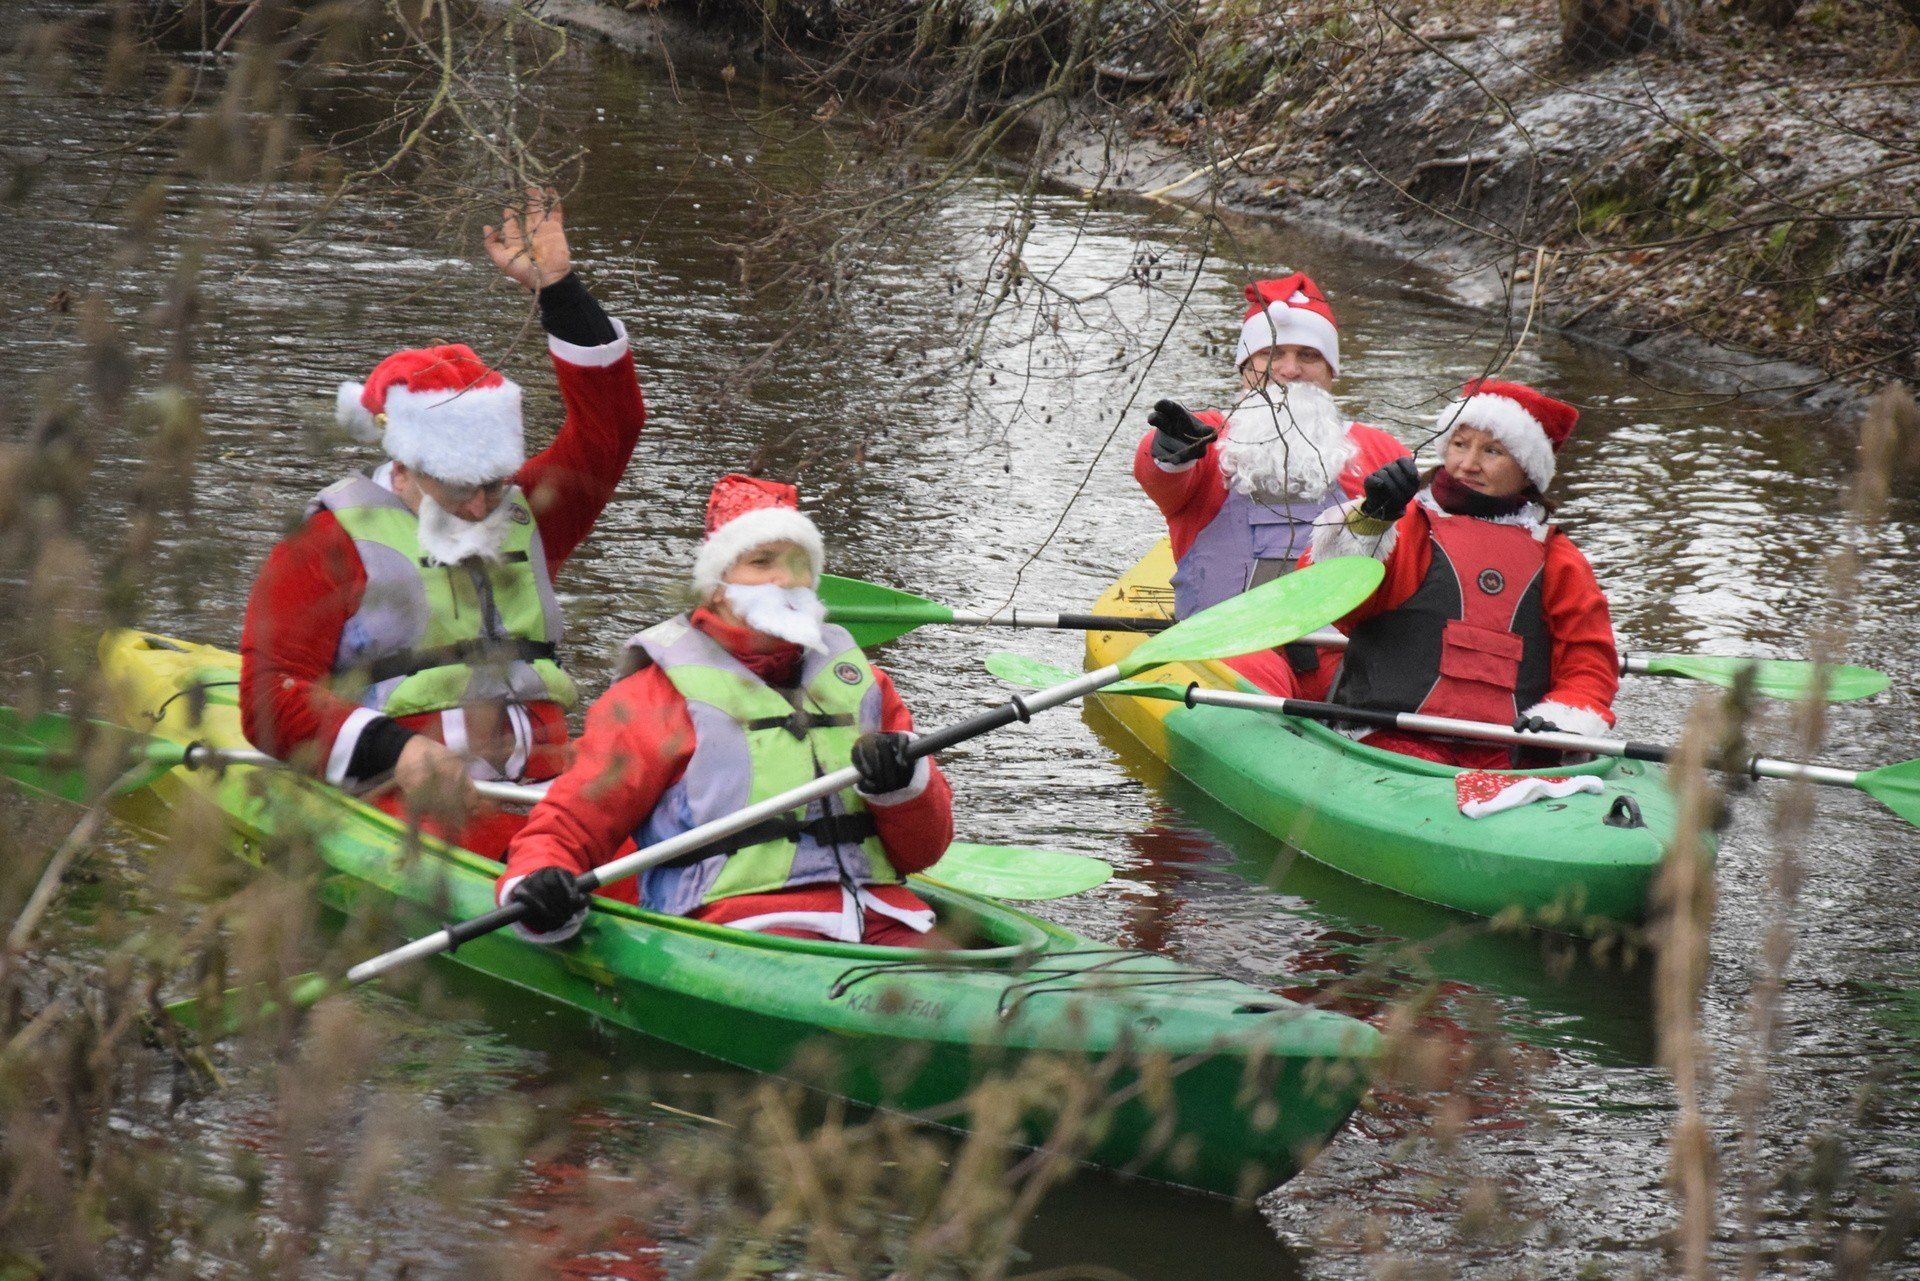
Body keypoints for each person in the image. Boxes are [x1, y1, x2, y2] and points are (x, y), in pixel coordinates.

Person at [239, 191, 645, 855]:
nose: (483, 507)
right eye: (459, 490)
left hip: (546, 799)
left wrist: (559, 289)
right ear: (403, 466)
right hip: (410, 800)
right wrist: (396, 752)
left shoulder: (525, 514)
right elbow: (268, 694)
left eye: (492, 484)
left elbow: (614, 426)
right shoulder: (325, 543)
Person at [495, 474, 956, 949]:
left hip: (882, 913)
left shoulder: (864, 686)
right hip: (738, 929)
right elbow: (570, 824)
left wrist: (901, 786)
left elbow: (924, 850)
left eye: (798, 564)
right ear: (716, 589)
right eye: (761, 563)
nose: (784, 578)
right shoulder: (656, 696)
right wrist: (540, 881)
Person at [1307, 379, 1617, 768]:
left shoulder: (1559, 558)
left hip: (1507, 750)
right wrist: (1370, 520)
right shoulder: (1405, 524)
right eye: (1459, 444)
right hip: (1384, 736)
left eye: (1492, 451)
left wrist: (1566, 717)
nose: (1468, 464)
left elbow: (1588, 660)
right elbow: (1333, 600)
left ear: (1527, 471)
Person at [1133, 272, 1408, 697]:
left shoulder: (1378, 448)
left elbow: (1414, 558)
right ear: (1247, 366)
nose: (1290, 370)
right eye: (1272, 354)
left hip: (1339, 647)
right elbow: (1159, 477)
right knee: (1255, 671)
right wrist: (1171, 450)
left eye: (1308, 356)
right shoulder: (1207, 433)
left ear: (1331, 371)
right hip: (1226, 644)